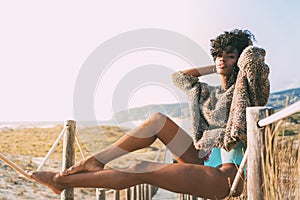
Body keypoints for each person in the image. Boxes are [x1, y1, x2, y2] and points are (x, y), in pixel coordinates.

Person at [30, 29, 270, 199]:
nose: (222, 59)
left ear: (240, 60)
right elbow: (180, 77)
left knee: (142, 169)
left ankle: (60, 181)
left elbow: (254, 59)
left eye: (230, 55)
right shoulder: (210, 92)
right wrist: (217, 65)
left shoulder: (248, 90)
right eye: (219, 54)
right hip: (202, 159)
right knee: (157, 121)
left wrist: (239, 57)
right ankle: (95, 161)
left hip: (226, 177)